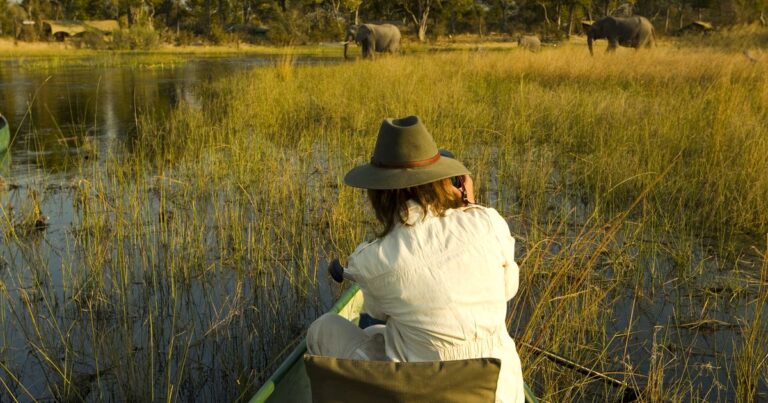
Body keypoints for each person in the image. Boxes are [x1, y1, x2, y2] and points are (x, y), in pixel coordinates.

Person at [307, 115, 524, 402]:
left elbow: (378, 310)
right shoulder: (490, 223)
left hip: (425, 392)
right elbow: (508, 288)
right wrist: (470, 205)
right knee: (379, 330)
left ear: (379, 193)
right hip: (501, 392)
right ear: (445, 181)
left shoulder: (375, 259)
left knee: (324, 329)